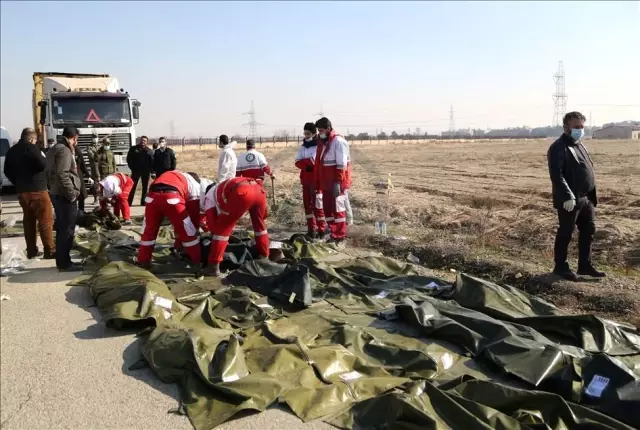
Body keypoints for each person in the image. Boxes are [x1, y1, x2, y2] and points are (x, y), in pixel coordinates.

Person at [547, 111, 605, 281]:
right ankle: (560, 267)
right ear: (566, 127)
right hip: (570, 200)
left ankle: (584, 265)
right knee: (566, 232)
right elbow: (556, 174)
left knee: (589, 230)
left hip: (586, 199)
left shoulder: (579, 145)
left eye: (582, 127)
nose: (580, 130)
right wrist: (567, 195)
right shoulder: (559, 147)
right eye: (576, 127)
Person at [4, 127, 55, 259]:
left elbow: (7, 171)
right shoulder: (32, 148)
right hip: (38, 190)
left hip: (22, 192)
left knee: (29, 221)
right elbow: (43, 164)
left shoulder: (12, 151)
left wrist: (18, 182)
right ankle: (50, 250)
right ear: (32, 139)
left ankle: (31, 251)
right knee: (45, 221)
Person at [202, 176, 269, 277]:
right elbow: (264, 216)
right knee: (260, 226)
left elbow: (212, 226)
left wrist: (214, 235)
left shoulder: (209, 197)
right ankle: (264, 256)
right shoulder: (221, 188)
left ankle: (213, 266)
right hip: (258, 189)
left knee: (222, 230)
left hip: (242, 192)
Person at [136, 170, 203, 271]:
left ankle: (143, 261)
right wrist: (196, 228)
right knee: (188, 231)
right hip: (172, 198)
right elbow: (193, 212)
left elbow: (152, 189)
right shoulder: (195, 185)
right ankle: (197, 262)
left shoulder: (172, 175)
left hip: (152, 198)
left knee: (149, 231)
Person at [46, 126, 83, 272]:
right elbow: (62, 174)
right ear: (74, 138)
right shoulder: (65, 150)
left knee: (63, 229)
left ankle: (63, 261)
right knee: (67, 230)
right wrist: (72, 194)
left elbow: (48, 172)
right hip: (64, 196)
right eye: (76, 140)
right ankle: (65, 263)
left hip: (56, 193)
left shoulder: (54, 148)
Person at [314, 117, 351, 244]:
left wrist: (337, 183)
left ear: (328, 129)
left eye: (322, 130)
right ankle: (333, 231)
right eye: (318, 130)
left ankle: (340, 235)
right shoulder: (323, 142)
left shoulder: (338, 142)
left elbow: (342, 165)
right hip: (326, 182)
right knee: (327, 209)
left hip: (336, 182)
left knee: (338, 209)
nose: (320, 133)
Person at [295, 122, 326, 238]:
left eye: (308, 133)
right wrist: (306, 164)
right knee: (307, 206)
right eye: (305, 133)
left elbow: (314, 161)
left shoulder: (319, 146)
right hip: (305, 180)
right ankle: (311, 229)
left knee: (317, 206)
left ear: (313, 133)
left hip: (316, 180)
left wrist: (306, 162)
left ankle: (322, 230)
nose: (306, 135)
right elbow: (297, 162)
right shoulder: (303, 146)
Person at [127, 136, 154, 206]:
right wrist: (132, 168)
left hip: (146, 172)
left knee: (145, 188)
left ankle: (143, 202)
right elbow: (129, 159)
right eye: (142, 140)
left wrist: (151, 171)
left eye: (145, 140)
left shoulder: (149, 151)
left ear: (147, 142)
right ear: (140, 140)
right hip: (135, 171)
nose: (143, 141)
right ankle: (129, 202)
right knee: (132, 186)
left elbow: (152, 162)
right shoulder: (133, 149)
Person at [74, 143, 92, 213]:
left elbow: (83, 165)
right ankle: (77, 212)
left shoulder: (77, 150)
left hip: (78, 174)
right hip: (72, 175)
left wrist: (88, 176)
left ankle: (81, 211)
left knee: (81, 195)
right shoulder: (66, 150)